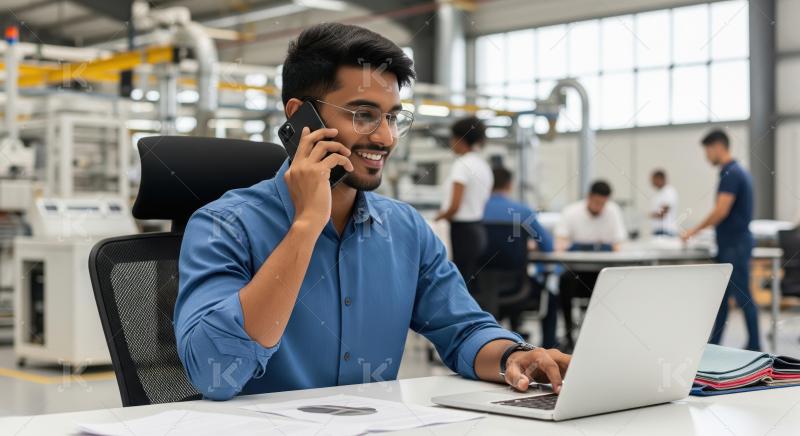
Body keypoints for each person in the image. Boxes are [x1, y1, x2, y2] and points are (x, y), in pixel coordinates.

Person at [174, 23, 570, 401]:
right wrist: (306, 226)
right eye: (363, 115)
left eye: (393, 117)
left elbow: (464, 329)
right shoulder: (224, 225)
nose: (385, 137)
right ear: (299, 116)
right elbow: (214, 373)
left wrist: (511, 357)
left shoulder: (404, 228)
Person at [681, 130, 760, 351]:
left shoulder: (731, 173)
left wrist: (693, 231)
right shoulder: (735, 171)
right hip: (730, 243)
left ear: (717, 146)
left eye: (707, 151)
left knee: (743, 297)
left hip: (735, 244)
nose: (706, 156)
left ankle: (755, 346)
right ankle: (714, 345)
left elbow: (721, 210)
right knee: (722, 297)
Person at [483, 167, 559, 348]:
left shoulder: (473, 211)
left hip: (478, 288)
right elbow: (548, 247)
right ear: (509, 185)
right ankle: (549, 348)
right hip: (517, 287)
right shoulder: (522, 212)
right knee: (552, 297)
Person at [554, 180, 627, 350]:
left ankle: (604, 337)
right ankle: (569, 336)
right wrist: (599, 245)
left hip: (602, 272)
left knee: (618, 284)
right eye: (597, 203)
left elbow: (619, 245)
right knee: (564, 282)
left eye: (603, 203)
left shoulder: (613, 211)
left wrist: (580, 245)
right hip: (577, 273)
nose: (600, 207)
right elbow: (560, 243)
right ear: (589, 197)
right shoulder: (571, 212)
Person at [435, 117, 494, 294]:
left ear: (461, 139)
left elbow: (454, 206)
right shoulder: (483, 165)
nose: (452, 143)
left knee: (458, 284)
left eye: (453, 138)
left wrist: (435, 218)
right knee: (470, 284)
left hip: (462, 233)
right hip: (478, 230)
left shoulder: (461, 165)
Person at [649, 169, 679, 236]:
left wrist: (650, 215)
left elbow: (663, 212)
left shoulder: (669, 191)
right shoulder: (659, 193)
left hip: (666, 231)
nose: (652, 183)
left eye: (653, 180)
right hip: (658, 230)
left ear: (660, 179)